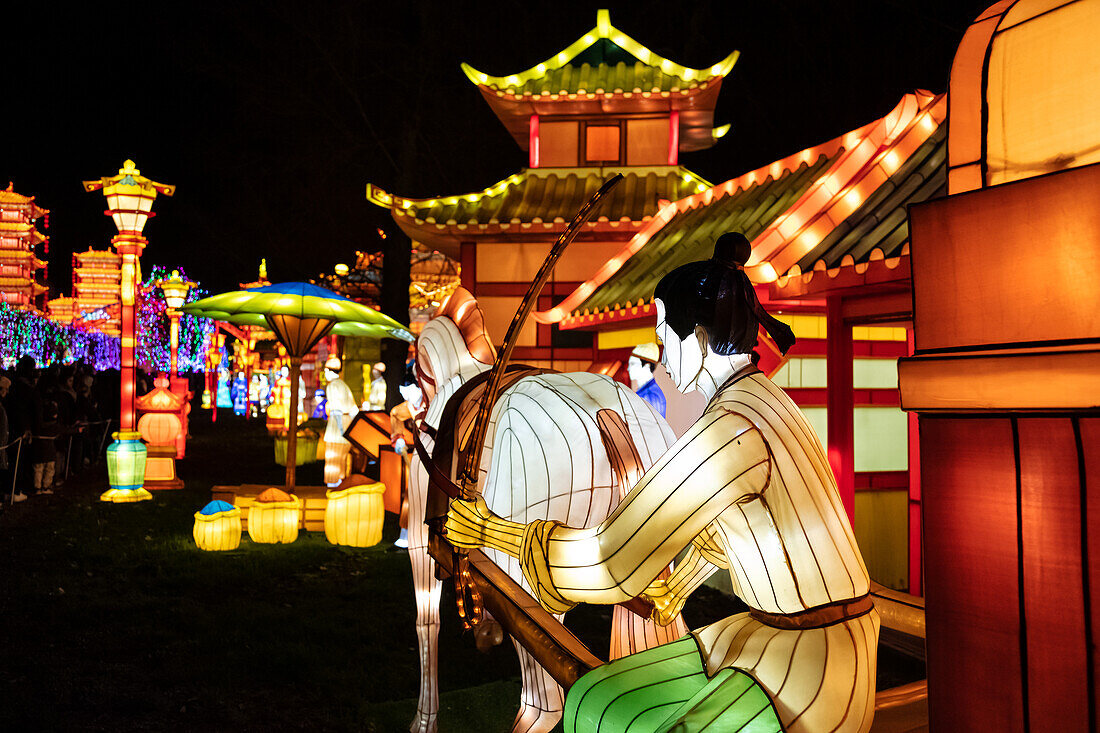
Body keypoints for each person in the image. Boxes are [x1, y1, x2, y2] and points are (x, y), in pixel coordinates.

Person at [446, 232, 878, 733]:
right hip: (788, 629)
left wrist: (493, 532)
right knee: (597, 697)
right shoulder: (765, 400)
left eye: (662, 339)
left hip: (812, 666)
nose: (661, 358)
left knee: (605, 712)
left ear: (695, 340)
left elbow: (609, 558)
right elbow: (745, 528)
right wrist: (680, 584)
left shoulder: (730, 428)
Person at [322, 356, 357, 486]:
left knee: (333, 458)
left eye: (325, 371)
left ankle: (333, 483)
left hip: (336, 427)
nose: (325, 374)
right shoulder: (344, 385)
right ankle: (342, 482)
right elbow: (354, 409)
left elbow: (336, 410)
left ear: (331, 371)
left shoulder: (332, 387)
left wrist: (341, 429)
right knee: (343, 457)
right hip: (346, 424)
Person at [626, 342, 666, 417]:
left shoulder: (650, 395)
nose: (628, 368)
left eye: (633, 364)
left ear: (647, 366)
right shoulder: (646, 392)